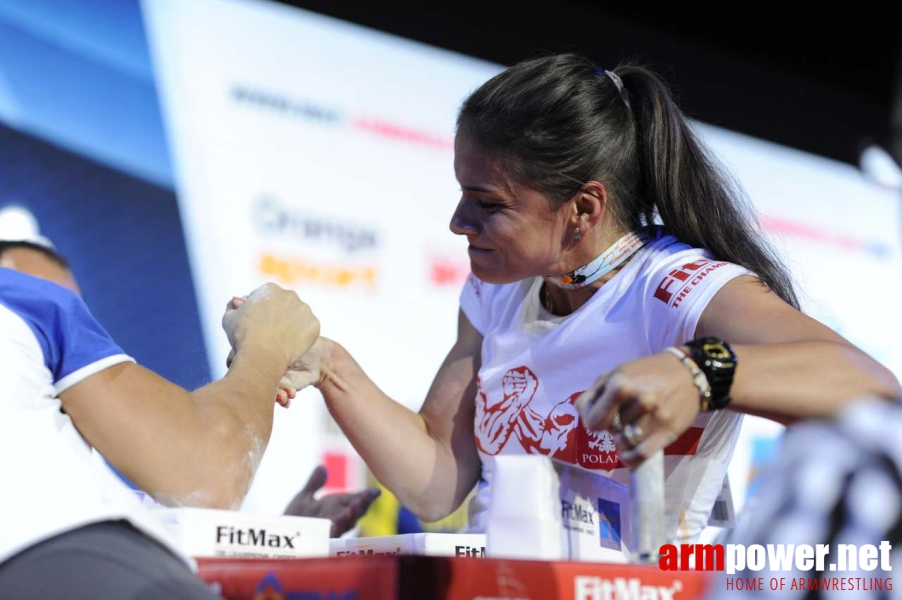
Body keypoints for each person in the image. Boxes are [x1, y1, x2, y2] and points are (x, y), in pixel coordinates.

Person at [273, 53, 900, 544]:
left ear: (583, 208)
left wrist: (700, 371)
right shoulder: (498, 290)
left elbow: (874, 390)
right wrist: (330, 364)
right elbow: (439, 481)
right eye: (463, 193)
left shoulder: (676, 288)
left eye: (488, 204)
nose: (458, 221)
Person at [0, 237, 320, 598]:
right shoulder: (21, 299)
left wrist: (284, 540)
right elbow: (206, 475)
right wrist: (267, 342)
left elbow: (181, 513)